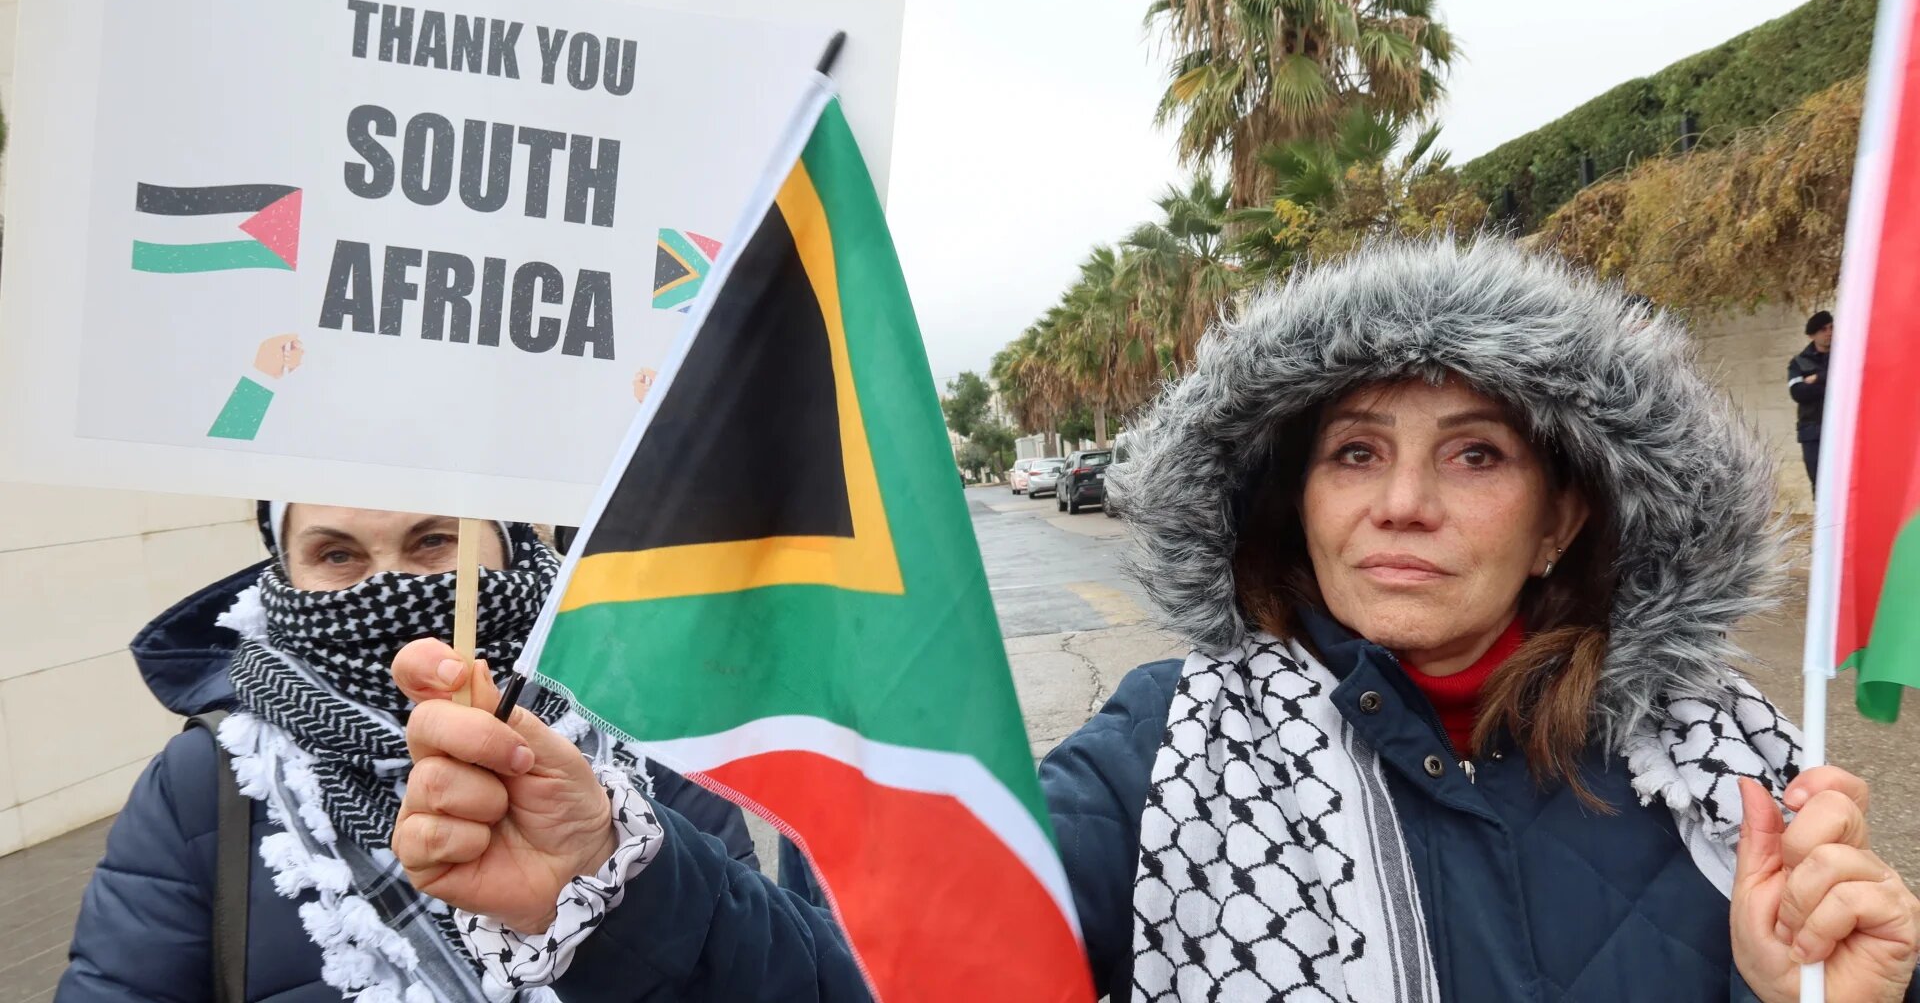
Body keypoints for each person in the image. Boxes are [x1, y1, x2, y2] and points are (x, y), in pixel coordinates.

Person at [386, 240, 1920, 1002]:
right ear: (1293, 501)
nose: (1401, 505)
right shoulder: (1165, 751)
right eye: (1354, 453)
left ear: (1563, 516)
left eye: (1474, 457)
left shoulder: (1737, 781)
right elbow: (903, 972)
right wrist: (616, 885)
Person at [59, 502, 758, 1002]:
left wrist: (605, 879)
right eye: (337, 555)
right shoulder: (199, 783)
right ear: (284, 570)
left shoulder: (651, 740)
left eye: (434, 540)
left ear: (509, 544)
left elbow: (754, 970)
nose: (388, 586)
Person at [1789, 310, 1833, 489]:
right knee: (1820, 484)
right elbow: (1798, 392)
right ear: (1812, 335)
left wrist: (1818, 378)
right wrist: (1830, 385)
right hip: (1813, 432)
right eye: (1823, 329)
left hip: (1841, 430)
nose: (1829, 332)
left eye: (1831, 327)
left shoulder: (1844, 357)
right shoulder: (1799, 362)